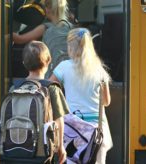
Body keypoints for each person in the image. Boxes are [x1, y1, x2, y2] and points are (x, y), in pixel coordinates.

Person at [49, 28, 113, 164]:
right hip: (97, 130)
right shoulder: (99, 70)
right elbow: (106, 101)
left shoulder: (63, 67)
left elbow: (49, 88)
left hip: (73, 130)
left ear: (70, 47)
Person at [22, 40, 69, 164]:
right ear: (48, 62)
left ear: (24, 64)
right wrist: (60, 147)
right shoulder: (51, 88)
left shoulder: (15, 88)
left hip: (19, 147)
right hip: (44, 150)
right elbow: (58, 120)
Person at [13, 0, 71, 78]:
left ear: (48, 9)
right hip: (67, 71)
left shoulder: (45, 27)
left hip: (51, 71)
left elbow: (20, 39)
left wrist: (6, 33)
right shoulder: (69, 27)